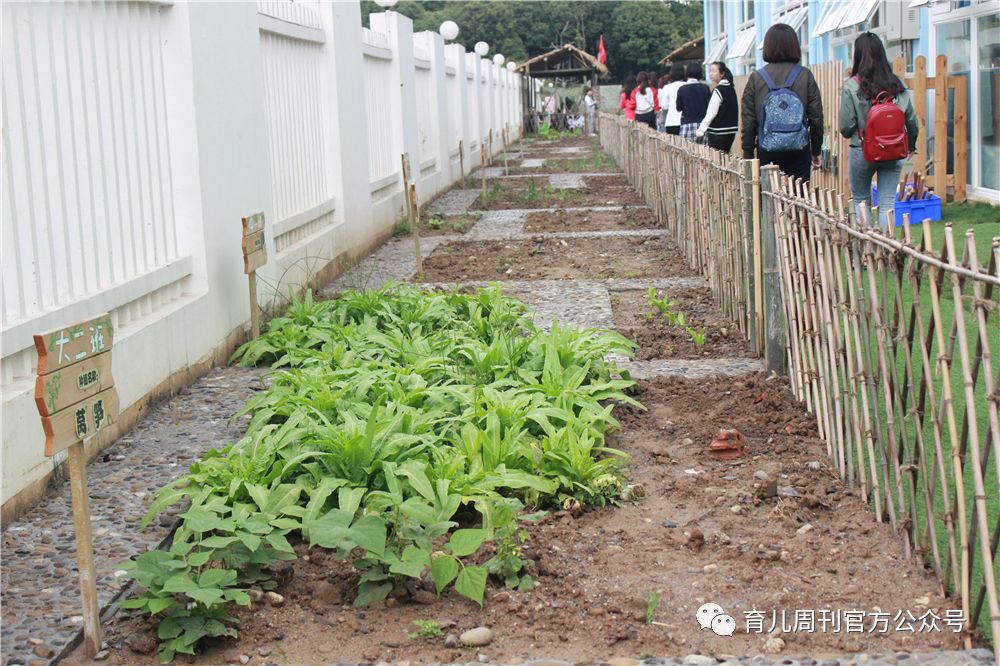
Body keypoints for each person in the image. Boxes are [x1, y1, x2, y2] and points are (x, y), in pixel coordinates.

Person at [840, 32, 919, 229]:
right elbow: (911, 120)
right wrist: (911, 146)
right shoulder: (896, 84)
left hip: (862, 149)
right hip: (893, 150)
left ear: (857, 56)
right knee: (887, 204)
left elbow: (846, 128)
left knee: (861, 200)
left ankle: (866, 249)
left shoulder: (851, 86)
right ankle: (887, 252)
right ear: (882, 54)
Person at [740, 23, 823, 182]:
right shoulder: (805, 76)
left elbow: (749, 122)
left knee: (769, 199)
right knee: (798, 199)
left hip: (767, 150)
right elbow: (816, 118)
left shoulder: (757, 78)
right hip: (799, 150)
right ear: (794, 45)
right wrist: (816, 150)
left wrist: (748, 155)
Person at [696, 61, 738, 153]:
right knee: (726, 157)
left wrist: (701, 129)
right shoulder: (731, 88)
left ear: (722, 74)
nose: (711, 73)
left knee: (717, 159)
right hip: (730, 131)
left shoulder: (719, 90)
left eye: (714, 71)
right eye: (710, 71)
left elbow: (712, 112)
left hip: (718, 131)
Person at [676, 63, 711, 142]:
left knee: (687, 151)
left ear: (687, 73)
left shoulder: (682, 89)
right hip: (702, 125)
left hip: (687, 125)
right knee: (704, 152)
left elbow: (678, 108)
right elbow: (710, 107)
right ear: (700, 73)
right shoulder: (705, 88)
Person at [662, 63, 686, 135]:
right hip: (685, 121)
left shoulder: (667, 87)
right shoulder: (687, 85)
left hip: (671, 122)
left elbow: (664, 106)